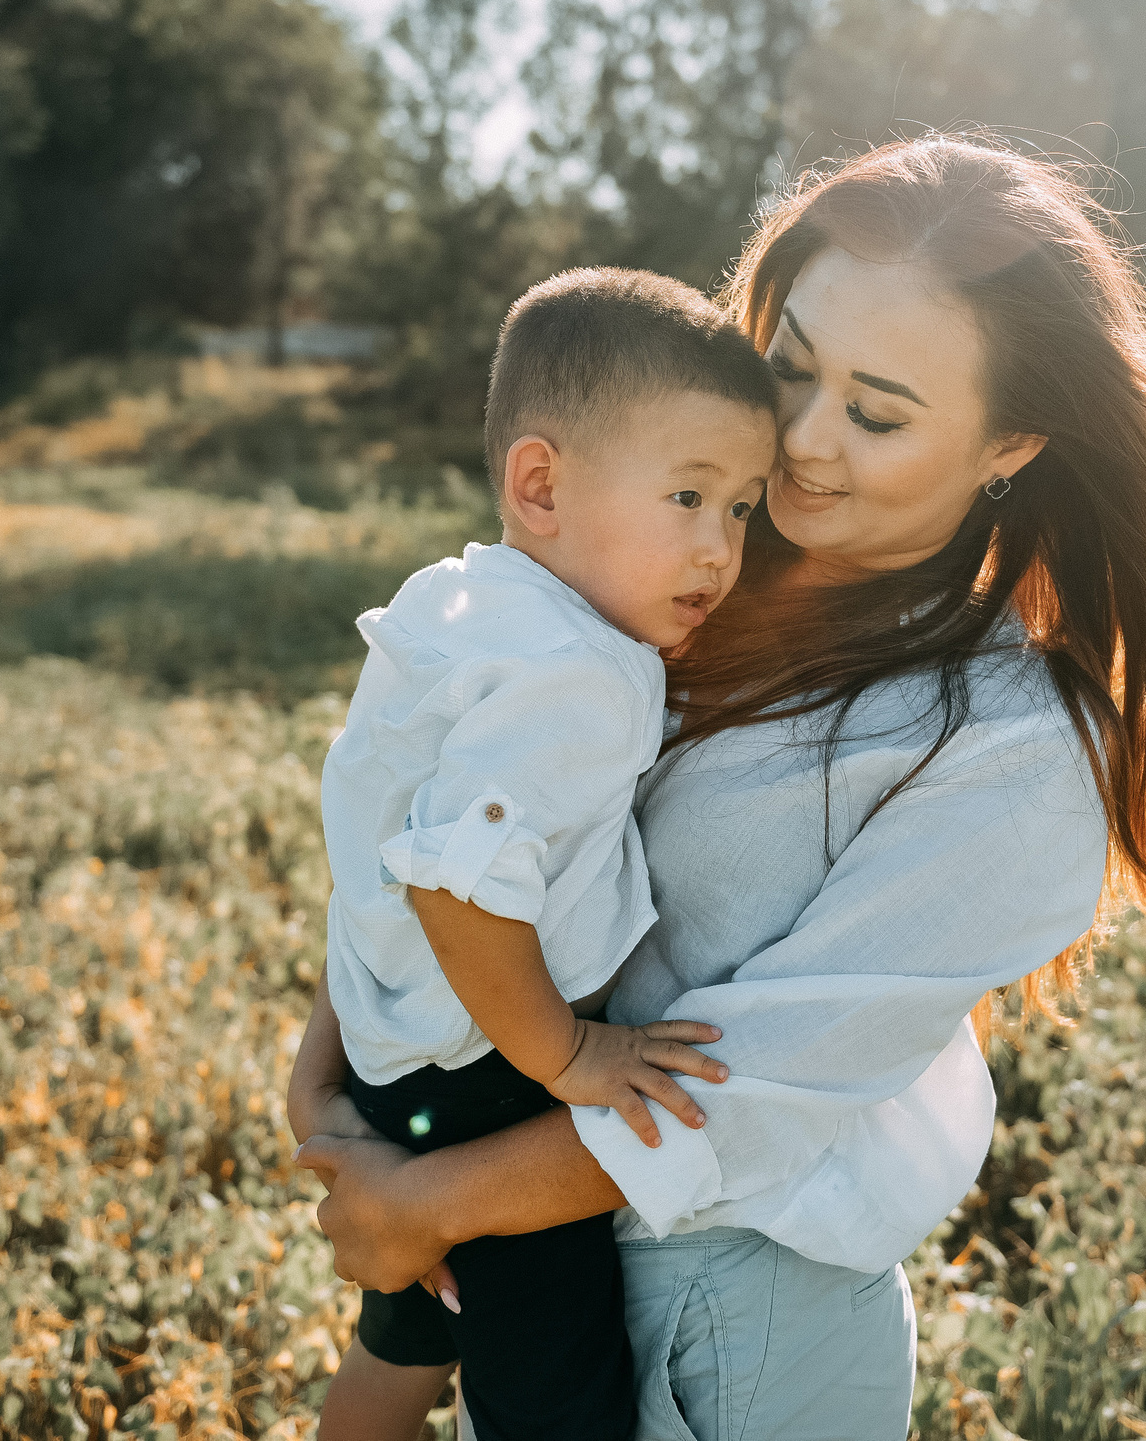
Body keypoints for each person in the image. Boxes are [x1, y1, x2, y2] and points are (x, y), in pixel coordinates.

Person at [297, 135, 1146, 1439]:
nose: (807, 443)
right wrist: (329, 1087)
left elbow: (751, 1090)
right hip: (502, 1232)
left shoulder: (1012, 744)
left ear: (1011, 440)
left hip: (740, 1309)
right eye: (791, 369)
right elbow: (430, 805)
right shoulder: (657, 563)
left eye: (879, 412)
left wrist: (427, 1201)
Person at [300, 268, 781, 1439]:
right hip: (490, 1077)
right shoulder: (587, 673)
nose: (719, 549)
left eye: (742, 508)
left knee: (403, 1342)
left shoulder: (461, 606)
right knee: (554, 1398)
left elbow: (386, 833)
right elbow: (458, 884)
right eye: (686, 495)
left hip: (397, 1055)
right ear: (540, 484)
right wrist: (568, 1056)